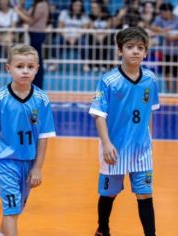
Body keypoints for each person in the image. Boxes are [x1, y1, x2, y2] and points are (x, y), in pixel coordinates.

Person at [0, 44, 56, 236]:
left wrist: (38, 167)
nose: (25, 71)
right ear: (8, 68)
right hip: (5, 160)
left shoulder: (42, 100)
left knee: (16, 208)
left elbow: (44, 137)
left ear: (37, 69)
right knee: (11, 209)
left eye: (30, 67)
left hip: (28, 161)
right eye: (20, 66)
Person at [89, 26, 159, 236]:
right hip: (115, 148)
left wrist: (150, 140)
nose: (135, 51)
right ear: (120, 50)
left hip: (141, 150)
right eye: (130, 47)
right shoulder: (109, 80)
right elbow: (98, 114)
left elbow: (150, 112)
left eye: (140, 47)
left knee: (145, 194)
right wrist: (106, 143)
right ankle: (103, 229)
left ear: (145, 52)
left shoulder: (150, 79)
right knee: (109, 193)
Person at [14, 0, 50, 89]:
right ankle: (35, 84)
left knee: (36, 61)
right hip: (35, 34)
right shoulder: (38, 4)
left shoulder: (41, 4)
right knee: (35, 60)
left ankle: (37, 85)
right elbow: (30, 15)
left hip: (37, 35)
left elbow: (30, 20)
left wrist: (18, 11)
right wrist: (20, 9)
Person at [150, 2, 178, 93]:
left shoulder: (177, 19)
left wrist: (174, 36)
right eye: (161, 12)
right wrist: (163, 31)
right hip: (166, 51)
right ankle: (170, 92)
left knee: (176, 73)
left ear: (169, 12)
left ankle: (177, 93)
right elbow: (152, 27)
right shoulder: (160, 19)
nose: (162, 15)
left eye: (164, 12)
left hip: (176, 50)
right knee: (167, 72)